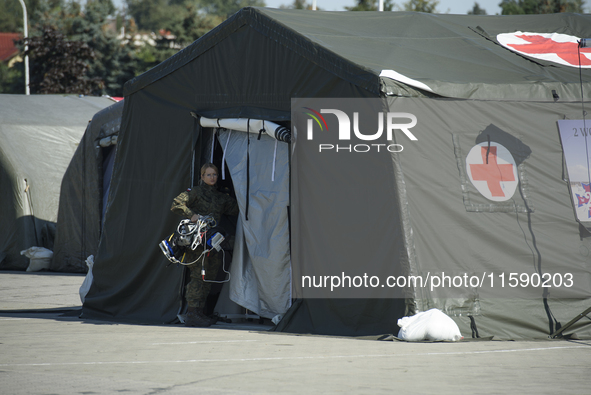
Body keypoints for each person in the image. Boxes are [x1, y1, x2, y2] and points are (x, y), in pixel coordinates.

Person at [170, 163, 239, 327]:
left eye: (214, 174)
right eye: (208, 175)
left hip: (213, 241)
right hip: (197, 240)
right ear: (202, 176)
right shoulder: (195, 192)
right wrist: (192, 215)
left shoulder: (221, 197)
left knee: (208, 276)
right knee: (197, 276)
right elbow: (176, 204)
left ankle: (200, 312)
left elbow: (238, 208)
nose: (212, 177)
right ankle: (192, 313)